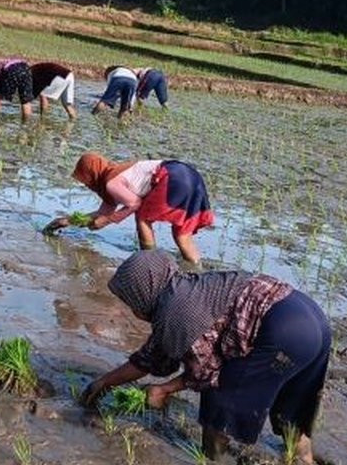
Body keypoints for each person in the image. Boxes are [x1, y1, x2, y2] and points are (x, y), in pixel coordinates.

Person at [81, 251, 331, 465]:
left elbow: (207, 374)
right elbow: (148, 358)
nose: (132, 309)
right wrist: (105, 382)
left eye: (130, 301)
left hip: (284, 333)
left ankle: (211, 458)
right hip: (310, 318)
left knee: (217, 399)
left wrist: (164, 390)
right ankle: (303, 459)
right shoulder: (185, 290)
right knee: (292, 409)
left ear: (143, 292)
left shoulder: (175, 314)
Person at [46, 152, 214, 263]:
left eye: (85, 180)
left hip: (171, 176)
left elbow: (134, 204)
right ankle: (196, 270)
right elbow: (102, 213)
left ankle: (149, 262)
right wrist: (68, 221)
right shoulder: (114, 177)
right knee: (182, 233)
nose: (87, 185)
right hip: (190, 175)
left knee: (142, 217)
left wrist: (107, 221)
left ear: (92, 174)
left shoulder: (111, 183)